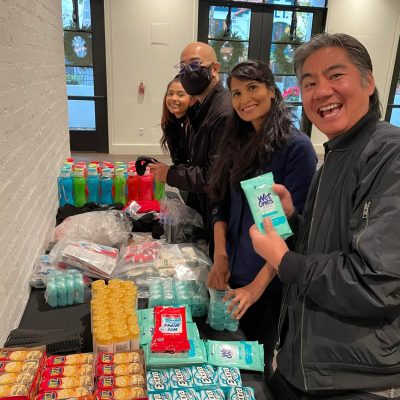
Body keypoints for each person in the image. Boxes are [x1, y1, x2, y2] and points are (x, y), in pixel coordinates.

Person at [249, 33, 400, 399]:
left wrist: (283, 260)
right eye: (309, 83)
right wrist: (292, 220)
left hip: (357, 377)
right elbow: (330, 245)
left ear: (368, 82)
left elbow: (376, 284)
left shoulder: (389, 154)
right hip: (309, 363)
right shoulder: (336, 153)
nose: (321, 92)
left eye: (336, 76)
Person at [206, 60, 317, 379]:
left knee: (255, 366)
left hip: (268, 283)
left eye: (252, 88)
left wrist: (256, 288)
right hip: (233, 273)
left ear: (272, 90)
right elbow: (220, 203)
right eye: (236, 93)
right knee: (225, 356)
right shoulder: (235, 142)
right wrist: (220, 254)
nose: (243, 100)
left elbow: (294, 232)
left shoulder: (297, 148)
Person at [149, 42, 232, 244]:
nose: (188, 71)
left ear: (215, 69)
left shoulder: (222, 113)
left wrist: (169, 174)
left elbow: (211, 177)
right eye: (183, 66)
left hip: (220, 212)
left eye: (195, 65)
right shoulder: (202, 109)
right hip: (203, 205)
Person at [160, 75, 192, 166]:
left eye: (180, 95)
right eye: (170, 94)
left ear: (192, 99)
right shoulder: (170, 123)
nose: (173, 98)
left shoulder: (195, 126)